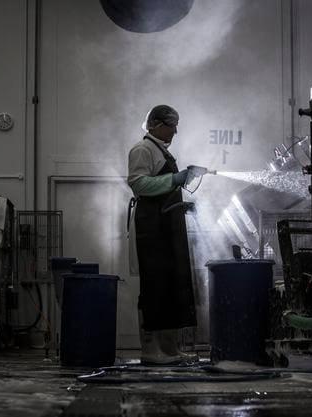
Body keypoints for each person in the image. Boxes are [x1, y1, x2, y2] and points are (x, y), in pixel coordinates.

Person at [127, 104, 197, 365]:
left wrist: (182, 199)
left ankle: (169, 350)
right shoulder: (142, 150)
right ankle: (150, 350)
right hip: (153, 230)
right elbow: (139, 183)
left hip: (168, 228)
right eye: (172, 125)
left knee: (172, 286)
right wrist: (175, 180)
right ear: (155, 124)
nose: (176, 131)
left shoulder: (161, 152)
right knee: (154, 287)